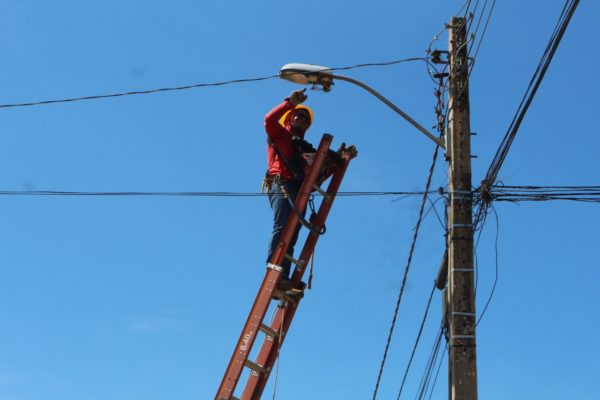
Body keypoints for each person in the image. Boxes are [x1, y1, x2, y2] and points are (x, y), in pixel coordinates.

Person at [263, 89, 314, 291]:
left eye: (306, 119)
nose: (302, 120)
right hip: (281, 184)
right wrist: (289, 103)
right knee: (283, 225)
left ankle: (284, 276)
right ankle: (274, 272)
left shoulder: (305, 148)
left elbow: (317, 174)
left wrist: (342, 160)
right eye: (299, 115)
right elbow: (268, 119)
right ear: (291, 117)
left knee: (292, 232)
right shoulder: (280, 134)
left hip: (298, 189)